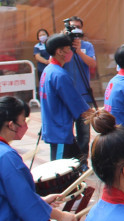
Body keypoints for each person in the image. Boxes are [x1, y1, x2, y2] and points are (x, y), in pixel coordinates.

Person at [40, 34, 94, 162]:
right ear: (59, 52)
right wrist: (96, 115)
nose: (71, 52)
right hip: (60, 132)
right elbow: (77, 105)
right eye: (69, 49)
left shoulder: (49, 70)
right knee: (59, 174)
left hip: (59, 130)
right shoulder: (60, 75)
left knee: (78, 163)